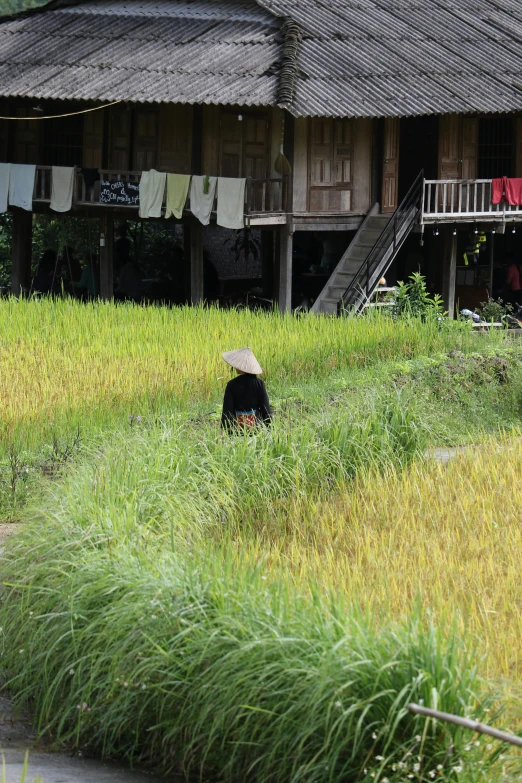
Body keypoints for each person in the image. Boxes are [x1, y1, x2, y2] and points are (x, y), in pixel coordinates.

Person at [221, 347, 272, 431]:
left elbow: (227, 410)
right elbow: (265, 408)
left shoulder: (231, 385)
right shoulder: (259, 383)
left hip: (237, 429)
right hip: (256, 428)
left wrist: (225, 431)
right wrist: (270, 428)